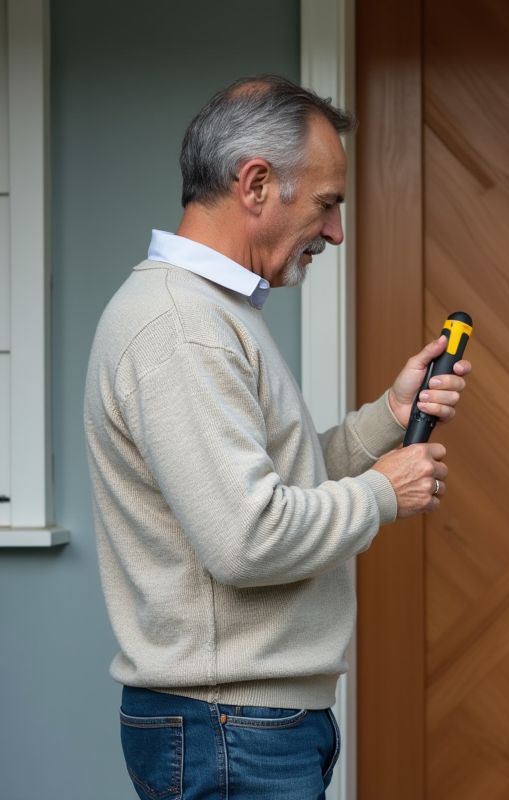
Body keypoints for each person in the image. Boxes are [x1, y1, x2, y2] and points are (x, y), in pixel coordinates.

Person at [84, 75, 469, 800]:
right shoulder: (182, 327)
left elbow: (277, 485)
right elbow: (249, 537)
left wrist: (390, 415)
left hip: (242, 723)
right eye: (327, 204)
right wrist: (383, 493)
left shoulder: (210, 312)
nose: (336, 232)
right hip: (230, 726)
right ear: (256, 184)